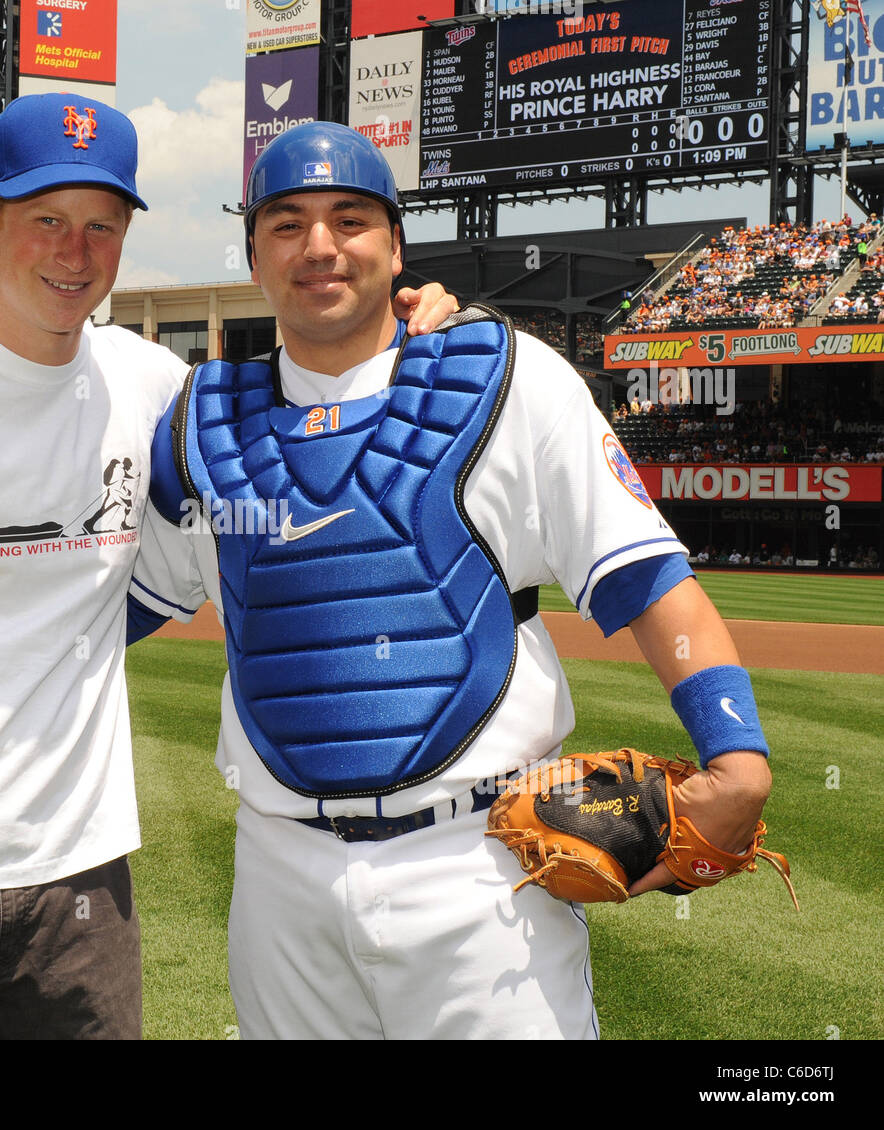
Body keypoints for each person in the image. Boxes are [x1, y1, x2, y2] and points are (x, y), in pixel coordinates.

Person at [0, 95, 455, 1040]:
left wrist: (419, 328)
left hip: (82, 878)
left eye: (101, 227)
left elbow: (312, 401)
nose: (73, 253)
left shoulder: (152, 387)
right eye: (46, 220)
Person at [130, 121, 775, 1040]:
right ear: (254, 255)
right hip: (279, 876)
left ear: (395, 245)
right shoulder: (202, 424)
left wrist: (737, 755)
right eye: (287, 224)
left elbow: (646, 582)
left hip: (481, 866)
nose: (319, 245)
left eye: (350, 219)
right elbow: (104, 610)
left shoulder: (509, 379)